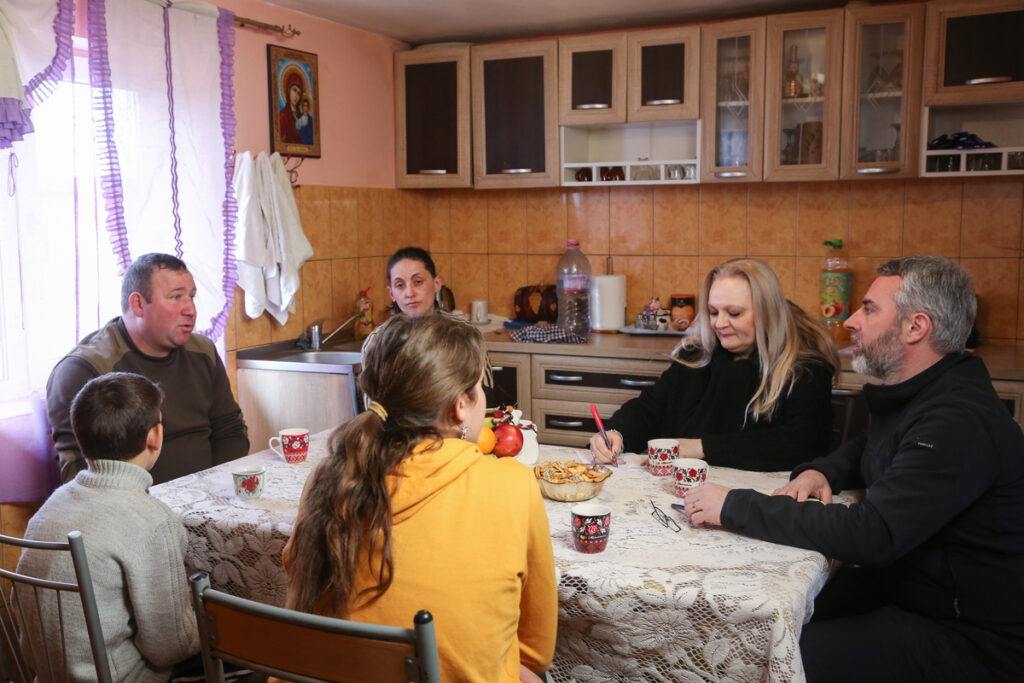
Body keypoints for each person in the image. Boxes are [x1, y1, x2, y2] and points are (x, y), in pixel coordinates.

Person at [684, 256, 1024, 682]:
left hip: (971, 638)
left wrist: (735, 505)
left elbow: (873, 533)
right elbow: (871, 447)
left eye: (869, 309)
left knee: (764, 657)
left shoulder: (957, 419)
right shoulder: (931, 391)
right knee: (751, 623)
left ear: (915, 327)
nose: (850, 322)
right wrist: (823, 472)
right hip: (912, 591)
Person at [283, 313, 557, 682]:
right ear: (460, 405)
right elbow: (535, 652)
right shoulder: (513, 484)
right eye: (480, 387)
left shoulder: (328, 477)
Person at [18, 373, 199, 682]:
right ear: (155, 436)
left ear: (80, 437)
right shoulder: (154, 520)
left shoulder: (50, 507)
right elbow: (170, 649)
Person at [590, 257, 838, 471]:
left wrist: (700, 448)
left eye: (734, 313)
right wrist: (616, 433)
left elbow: (802, 444)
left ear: (768, 313)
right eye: (713, 312)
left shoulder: (804, 370)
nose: (719, 324)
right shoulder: (696, 356)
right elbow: (649, 409)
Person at [47, 253, 248, 485]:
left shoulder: (203, 351)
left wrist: (218, 487)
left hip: (211, 493)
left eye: (191, 297)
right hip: (134, 503)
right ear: (138, 304)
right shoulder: (84, 369)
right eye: (176, 297)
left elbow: (230, 428)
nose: (191, 310)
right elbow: (80, 473)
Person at [386, 246, 443, 316]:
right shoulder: (385, 324)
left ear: (436, 284)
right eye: (400, 285)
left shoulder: (453, 323)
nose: (410, 294)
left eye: (418, 282)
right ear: (391, 293)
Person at [278, 70, 303, 144]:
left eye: (299, 93)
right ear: (288, 90)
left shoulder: (301, 117)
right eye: (294, 90)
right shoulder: (283, 116)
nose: (296, 96)